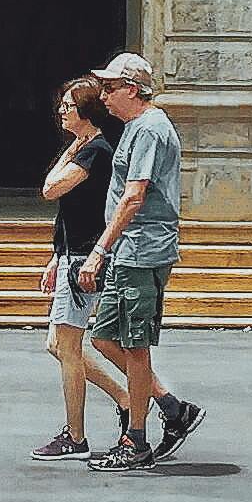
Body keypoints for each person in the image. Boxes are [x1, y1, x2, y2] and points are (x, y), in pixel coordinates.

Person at [81, 51, 201, 466]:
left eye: (110, 88)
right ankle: (170, 407)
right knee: (104, 337)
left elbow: (134, 195)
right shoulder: (135, 127)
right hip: (128, 249)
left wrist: (99, 250)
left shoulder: (149, 128)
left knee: (134, 345)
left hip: (142, 249)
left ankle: (137, 440)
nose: (105, 96)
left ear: (132, 89)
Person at [33, 75, 114, 461]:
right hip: (72, 254)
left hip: (84, 258)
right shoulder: (85, 146)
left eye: (68, 106)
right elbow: (68, 213)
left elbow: (51, 190)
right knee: (57, 345)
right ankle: (126, 397)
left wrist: (71, 150)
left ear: (85, 111)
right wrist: (56, 255)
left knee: (66, 346)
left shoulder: (94, 150)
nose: (61, 111)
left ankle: (76, 435)